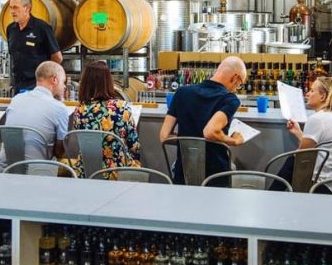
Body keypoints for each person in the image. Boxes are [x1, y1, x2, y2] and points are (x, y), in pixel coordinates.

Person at [159, 56, 246, 184]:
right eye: (240, 84)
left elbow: (164, 136)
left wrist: (189, 139)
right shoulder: (229, 99)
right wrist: (233, 140)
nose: (236, 88)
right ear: (235, 78)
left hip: (183, 175)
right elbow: (210, 132)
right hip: (216, 177)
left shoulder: (182, 92)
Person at [70, 60, 140, 177]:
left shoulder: (79, 111)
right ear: (108, 82)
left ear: (85, 84)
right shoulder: (122, 107)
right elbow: (134, 146)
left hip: (87, 172)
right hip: (118, 173)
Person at [0, 61, 69, 170]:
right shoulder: (59, 108)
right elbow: (59, 152)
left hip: (6, 169)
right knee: (70, 168)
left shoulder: (16, 99)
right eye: (63, 82)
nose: (64, 86)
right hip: (37, 172)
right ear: (54, 79)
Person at [7, 0, 62, 93]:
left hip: (38, 86)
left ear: (27, 8)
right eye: (11, 8)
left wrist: (46, 79)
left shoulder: (42, 28)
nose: (12, 11)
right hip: (18, 85)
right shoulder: (11, 29)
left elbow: (57, 57)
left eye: (15, 8)